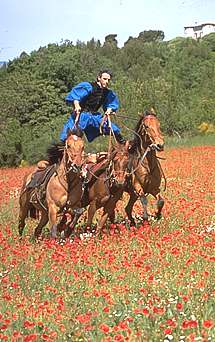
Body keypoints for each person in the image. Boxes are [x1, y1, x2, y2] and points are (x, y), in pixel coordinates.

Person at [60, 69, 125, 144]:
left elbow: (111, 104)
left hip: (95, 117)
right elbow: (76, 96)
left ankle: (123, 145)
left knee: (114, 130)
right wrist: (77, 105)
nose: (106, 81)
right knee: (69, 133)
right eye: (104, 79)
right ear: (99, 78)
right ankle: (62, 150)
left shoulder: (108, 93)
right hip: (82, 115)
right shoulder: (89, 86)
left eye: (108, 80)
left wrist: (109, 110)